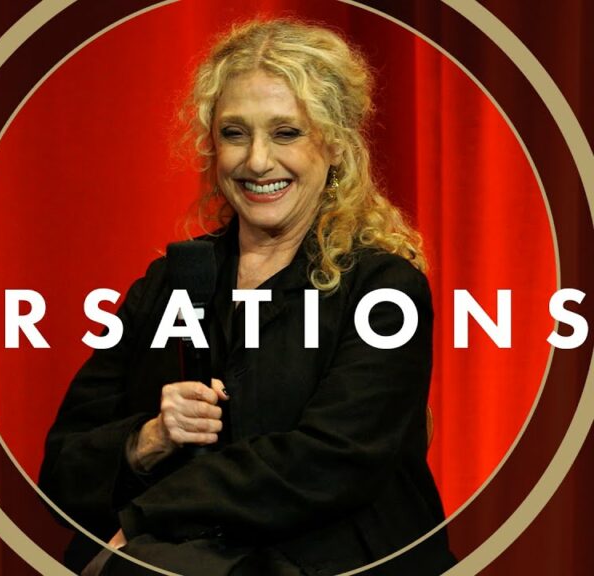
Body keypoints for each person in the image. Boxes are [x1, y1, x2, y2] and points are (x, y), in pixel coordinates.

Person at [38, 18, 456, 576]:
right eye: (235, 133)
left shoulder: (383, 289)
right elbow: (63, 468)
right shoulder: (169, 283)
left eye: (286, 133)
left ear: (335, 144)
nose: (257, 161)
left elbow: (331, 462)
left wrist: (148, 518)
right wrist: (149, 437)